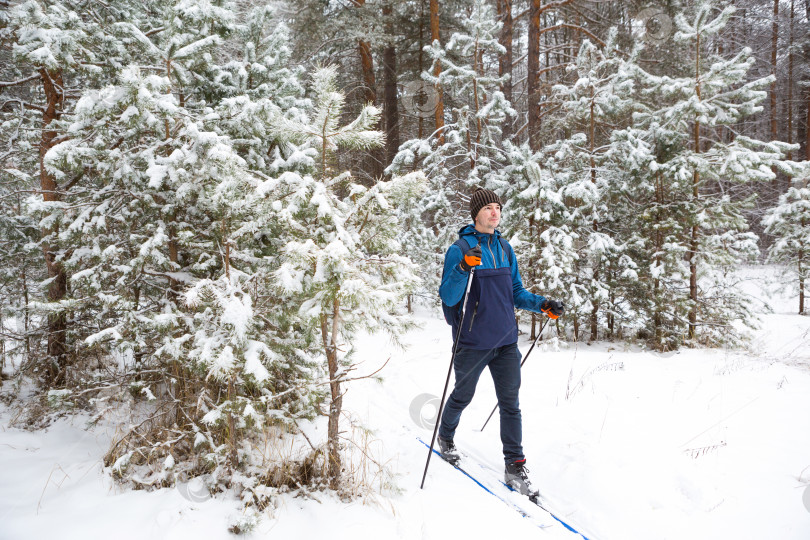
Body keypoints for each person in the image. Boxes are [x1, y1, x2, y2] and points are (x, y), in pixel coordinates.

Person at [437, 187, 564, 496]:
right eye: (488, 208)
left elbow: (515, 292)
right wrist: (464, 267)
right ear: (476, 214)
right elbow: (448, 297)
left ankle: (514, 465)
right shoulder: (461, 248)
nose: (495, 212)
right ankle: (446, 436)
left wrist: (542, 303)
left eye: (498, 207)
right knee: (462, 396)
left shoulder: (505, 249)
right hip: (472, 341)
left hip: (506, 340)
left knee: (511, 404)